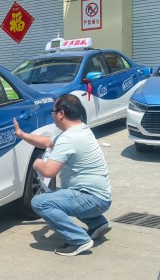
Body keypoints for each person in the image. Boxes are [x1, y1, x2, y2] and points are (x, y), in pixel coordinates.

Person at [13, 93, 112, 256]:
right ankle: (97, 224)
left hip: (91, 199)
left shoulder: (69, 138)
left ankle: (78, 240)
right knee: (61, 195)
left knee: (39, 202)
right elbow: (47, 142)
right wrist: (23, 135)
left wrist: (37, 163)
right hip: (100, 198)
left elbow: (48, 171)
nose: (52, 115)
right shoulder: (81, 129)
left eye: (53, 112)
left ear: (61, 114)